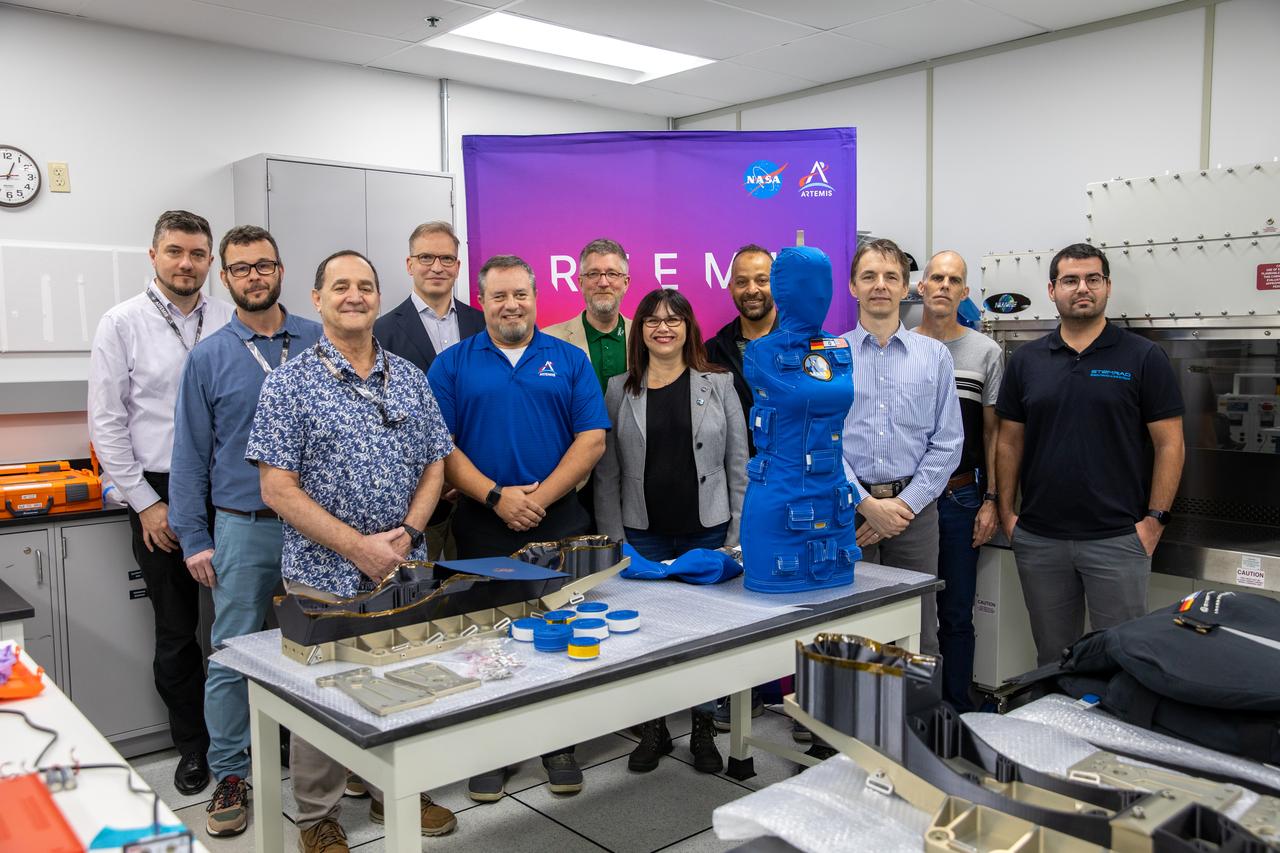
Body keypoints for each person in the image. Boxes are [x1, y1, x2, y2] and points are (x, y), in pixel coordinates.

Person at [247, 250, 458, 852]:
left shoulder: (409, 377)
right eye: (340, 287)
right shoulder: (290, 383)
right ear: (317, 299)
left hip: (401, 567)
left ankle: (394, 785)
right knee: (327, 696)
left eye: (366, 286)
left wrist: (409, 536)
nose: (355, 296)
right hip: (321, 573)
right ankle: (318, 816)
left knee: (403, 681)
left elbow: (434, 463)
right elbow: (276, 487)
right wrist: (357, 547)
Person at [428, 255, 609, 802]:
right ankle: (493, 751)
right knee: (487, 639)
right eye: (499, 296)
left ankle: (559, 745)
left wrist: (538, 498)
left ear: (537, 297)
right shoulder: (453, 364)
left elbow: (592, 440)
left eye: (521, 295)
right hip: (483, 524)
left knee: (559, 634)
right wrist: (496, 497)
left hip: (559, 521)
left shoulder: (569, 359)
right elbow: (441, 447)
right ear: (481, 300)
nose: (511, 305)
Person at [168, 225, 321, 837]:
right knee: (233, 655)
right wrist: (194, 537)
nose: (254, 276)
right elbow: (190, 456)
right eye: (240, 268)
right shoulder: (208, 357)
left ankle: (336, 768)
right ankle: (231, 772)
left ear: (281, 270)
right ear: (224, 278)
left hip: (320, 526)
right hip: (243, 527)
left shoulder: (319, 339)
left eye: (264, 265)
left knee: (320, 649)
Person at [88, 210, 233, 796]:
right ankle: (193, 747)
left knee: (239, 624)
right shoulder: (121, 322)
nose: (186, 264)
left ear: (210, 261)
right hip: (160, 488)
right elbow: (107, 421)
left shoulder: (227, 317)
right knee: (177, 632)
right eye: (175, 252)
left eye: (198, 254)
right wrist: (146, 504)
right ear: (153, 255)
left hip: (228, 490)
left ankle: (244, 737)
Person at [996, 243, 1185, 665]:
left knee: (1121, 660)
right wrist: (1008, 514)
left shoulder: (1142, 356)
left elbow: (1170, 443)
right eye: (1070, 280)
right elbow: (1008, 441)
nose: (1082, 288)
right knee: (1053, 658)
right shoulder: (1026, 361)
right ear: (1052, 289)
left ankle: (1109, 734)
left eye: (1092, 279)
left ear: (1107, 287)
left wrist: (1155, 521)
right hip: (1041, 540)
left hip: (1118, 539)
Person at [594, 289, 747, 775]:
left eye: (674, 319)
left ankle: (703, 727)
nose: (664, 328)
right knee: (646, 637)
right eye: (653, 320)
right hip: (645, 534)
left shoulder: (717, 383)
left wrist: (736, 538)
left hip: (707, 529)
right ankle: (654, 728)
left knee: (706, 636)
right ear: (639, 330)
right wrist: (615, 540)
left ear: (688, 327)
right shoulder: (620, 387)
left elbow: (739, 465)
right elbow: (608, 473)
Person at [840, 237, 963, 658]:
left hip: (917, 516)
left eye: (891, 276)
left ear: (906, 287)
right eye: (868, 276)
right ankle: (852, 725)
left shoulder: (935, 357)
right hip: (847, 514)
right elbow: (820, 441)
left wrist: (904, 506)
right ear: (852, 286)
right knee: (849, 632)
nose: (880, 285)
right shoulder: (829, 356)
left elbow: (948, 443)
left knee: (918, 629)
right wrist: (865, 503)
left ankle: (912, 721)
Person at [911, 250, 1003, 712]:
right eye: (936, 278)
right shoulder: (901, 346)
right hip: (909, 500)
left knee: (956, 613)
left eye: (954, 280)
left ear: (965, 293)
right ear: (921, 287)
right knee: (910, 610)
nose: (944, 286)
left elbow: (994, 433)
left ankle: (958, 709)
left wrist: (991, 499)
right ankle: (911, 708)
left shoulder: (986, 352)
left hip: (962, 496)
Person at [374, 220, 484, 563]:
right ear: (409, 264)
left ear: (458, 266)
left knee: (477, 593)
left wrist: (465, 477)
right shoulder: (381, 331)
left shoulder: (482, 324)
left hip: (480, 490)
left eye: (446, 259)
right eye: (426, 257)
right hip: (414, 496)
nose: (437, 267)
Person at [542, 238, 633, 523]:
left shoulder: (649, 337)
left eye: (612, 274)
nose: (603, 282)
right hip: (570, 480)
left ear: (626, 282)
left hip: (633, 477)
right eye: (593, 274)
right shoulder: (548, 341)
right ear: (580, 282)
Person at [706, 243, 777, 433]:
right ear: (730, 287)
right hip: (734, 461)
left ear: (777, 283)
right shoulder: (711, 352)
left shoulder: (801, 343)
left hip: (789, 461)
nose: (752, 290)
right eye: (742, 282)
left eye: (762, 280)